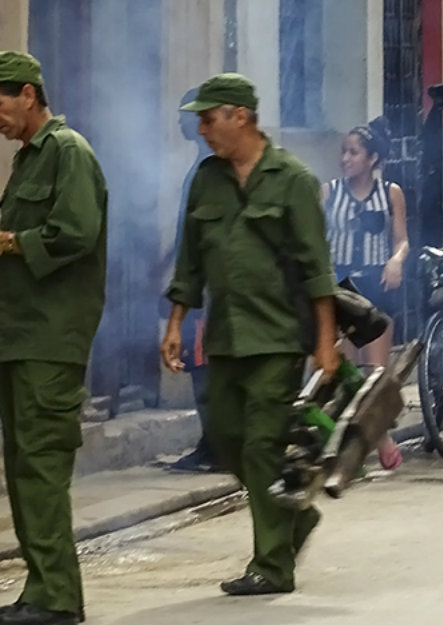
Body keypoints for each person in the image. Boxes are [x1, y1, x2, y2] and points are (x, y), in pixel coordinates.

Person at [160, 73, 339, 594]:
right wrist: (175, 325)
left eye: (208, 118)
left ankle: (272, 566)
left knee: (262, 445)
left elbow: (317, 270)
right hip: (223, 336)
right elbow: (189, 261)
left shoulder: (293, 180)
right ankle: (291, 522)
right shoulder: (205, 180)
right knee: (225, 439)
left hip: (279, 336)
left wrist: (325, 342)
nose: (201, 129)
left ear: (241, 115)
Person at [0, 51, 108, 625]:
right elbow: (28, 234)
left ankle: (58, 597)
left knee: (42, 468)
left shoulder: (68, 153)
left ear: (28, 93)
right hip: (19, 334)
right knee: (23, 469)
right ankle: (42, 587)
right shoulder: (29, 159)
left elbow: (74, 233)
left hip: (51, 338)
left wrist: (4, 241)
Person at [323, 118, 408, 470]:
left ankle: (369, 437)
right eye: (344, 151)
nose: (345, 158)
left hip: (376, 284)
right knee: (340, 368)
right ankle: (380, 438)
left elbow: (401, 239)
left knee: (375, 373)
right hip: (340, 287)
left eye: (353, 152)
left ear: (372, 158)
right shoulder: (328, 191)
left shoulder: (390, 193)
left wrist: (396, 261)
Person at [165, 88, 220, 473]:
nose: (183, 122)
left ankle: (214, 445)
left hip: (208, 293)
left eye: (190, 115)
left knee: (203, 367)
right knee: (198, 365)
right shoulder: (202, 168)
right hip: (198, 286)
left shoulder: (210, 169)